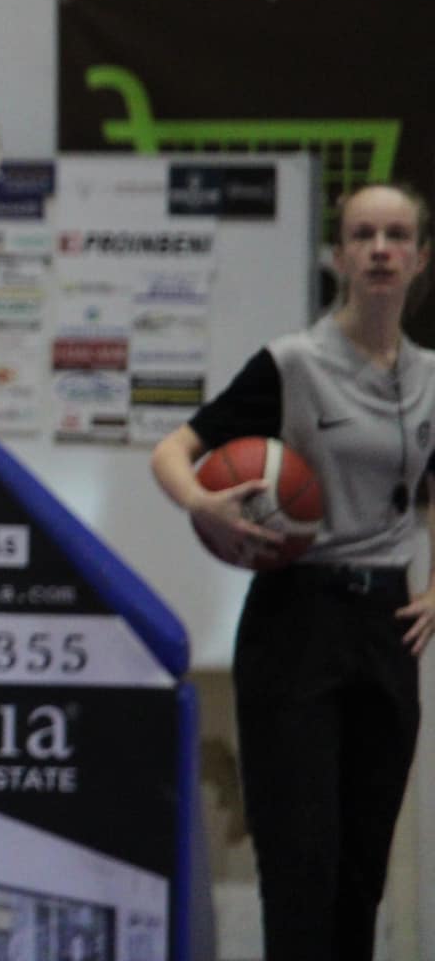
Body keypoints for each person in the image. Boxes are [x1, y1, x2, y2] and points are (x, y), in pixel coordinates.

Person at [150, 182, 435, 961]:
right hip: (296, 623)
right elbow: (172, 451)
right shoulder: (294, 364)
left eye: (397, 235)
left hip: (387, 627)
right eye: (364, 235)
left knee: (360, 872)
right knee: (299, 867)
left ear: (420, 257)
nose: (381, 248)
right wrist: (200, 506)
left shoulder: (431, 377)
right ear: (340, 255)